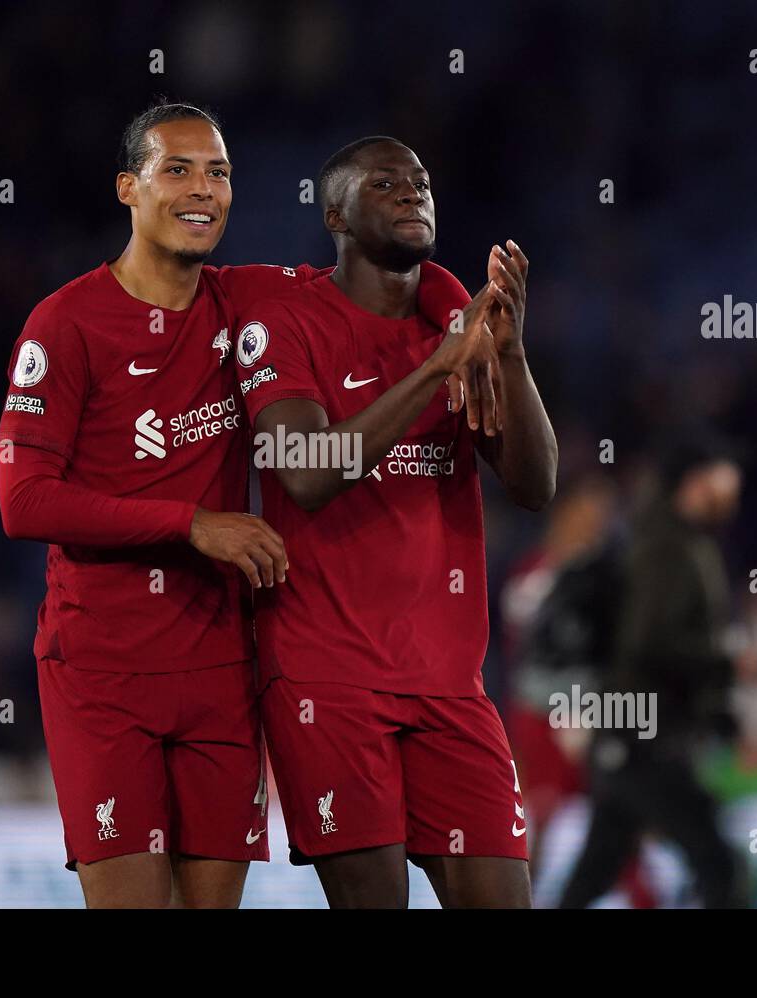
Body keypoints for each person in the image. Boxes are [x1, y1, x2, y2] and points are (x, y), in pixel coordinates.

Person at [0, 105, 476, 908]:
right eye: (176, 170)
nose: (203, 190)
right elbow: (23, 501)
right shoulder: (65, 324)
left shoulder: (247, 302)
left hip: (221, 664)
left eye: (217, 172)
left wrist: (462, 323)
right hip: (103, 672)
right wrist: (190, 524)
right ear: (129, 189)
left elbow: (406, 278)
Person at [237, 135, 558, 908]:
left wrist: (509, 359)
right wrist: (438, 368)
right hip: (329, 677)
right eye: (386, 184)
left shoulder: (451, 301)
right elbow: (306, 472)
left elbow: (535, 485)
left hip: (449, 684)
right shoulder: (287, 321)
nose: (413, 193)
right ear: (336, 215)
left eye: (420, 182)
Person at [557, 433, 755, 908]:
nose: (734, 490)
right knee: (718, 863)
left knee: (595, 873)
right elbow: (649, 646)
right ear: (694, 482)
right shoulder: (667, 549)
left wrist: (728, 722)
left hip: (633, 738)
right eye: (725, 477)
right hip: (642, 739)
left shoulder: (680, 543)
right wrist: (729, 663)